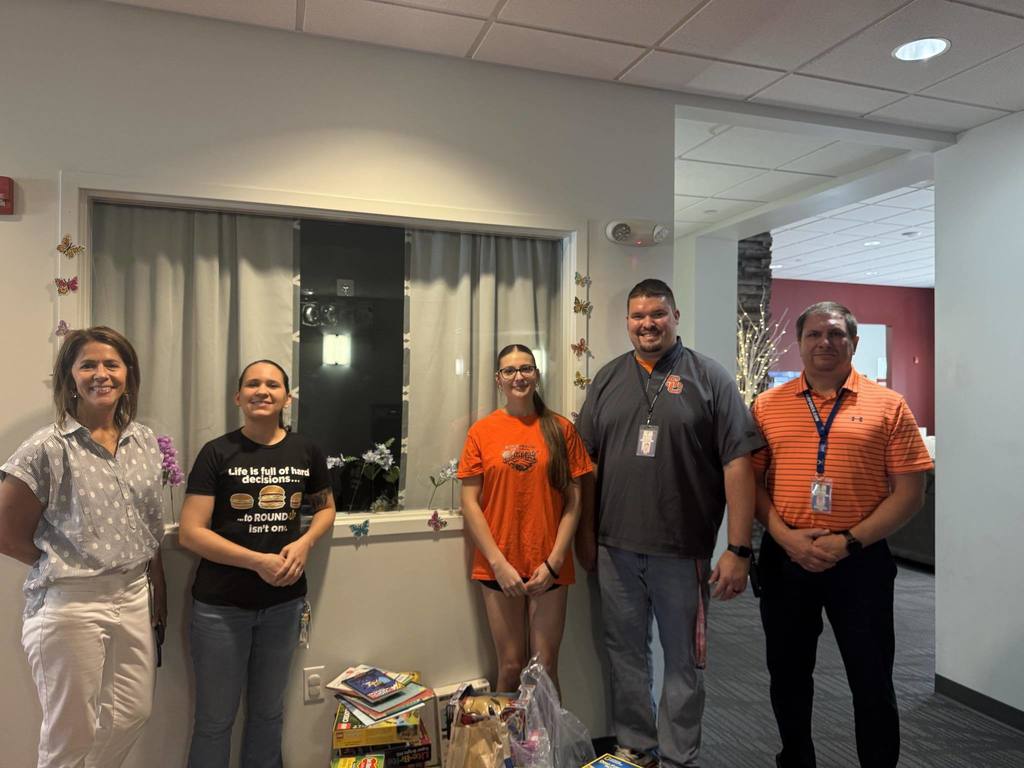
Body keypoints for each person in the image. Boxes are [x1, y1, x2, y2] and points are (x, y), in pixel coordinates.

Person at [575, 279, 763, 768]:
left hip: (683, 550)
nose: (647, 324)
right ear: (627, 322)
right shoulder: (608, 379)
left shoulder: (709, 377)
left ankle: (680, 754)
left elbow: (738, 463)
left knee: (684, 659)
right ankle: (637, 746)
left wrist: (738, 548)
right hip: (616, 548)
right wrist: (586, 537)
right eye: (638, 316)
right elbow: (586, 466)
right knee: (625, 653)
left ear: (675, 315)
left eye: (657, 313)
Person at [750, 301, 933, 768]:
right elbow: (749, 484)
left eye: (835, 334)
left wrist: (848, 541)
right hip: (785, 557)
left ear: (854, 342)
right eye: (814, 335)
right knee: (787, 676)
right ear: (800, 343)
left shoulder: (888, 406)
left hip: (861, 561)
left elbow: (910, 493)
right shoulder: (767, 406)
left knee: (871, 679)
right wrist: (785, 537)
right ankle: (797, 759)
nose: (825, 343)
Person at [0, 326, 167, 768]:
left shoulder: (146, 442)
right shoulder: (46, 447)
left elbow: (151, 527)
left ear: (128, 375)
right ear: (69, 377)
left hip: (133, 595)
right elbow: (5, 533)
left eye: (112, 364)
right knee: (70, 735)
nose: (101, 374)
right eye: (88, 365)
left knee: (132, 714)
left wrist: (156, 590)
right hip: (71, 603)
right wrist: (67, 561)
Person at [178, 359, 335, 768]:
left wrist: (305, 544)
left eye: (272, 384)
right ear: (238, 397)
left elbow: (326, 508)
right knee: (214, 722)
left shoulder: (306, 450)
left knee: (268, 716)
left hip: (284, 606)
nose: (261, 391)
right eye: (252, 384)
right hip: (219, 609)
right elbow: (191, 533)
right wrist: (257, 562)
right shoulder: (217, 453)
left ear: (287, 396)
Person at [459, 343, 592, 693]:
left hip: (549, 564)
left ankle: (548, 749)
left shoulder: (561, 429)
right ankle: (508, 748)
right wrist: (498, 563)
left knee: (545, 668)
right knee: (511, 666)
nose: (519, 376)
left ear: (536, 374)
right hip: (497, 565)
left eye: (526, 368)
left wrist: (555, 561)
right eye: (510, 371)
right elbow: (470, 504)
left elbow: (574, 502)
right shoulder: (481, 432)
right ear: (498, 380)